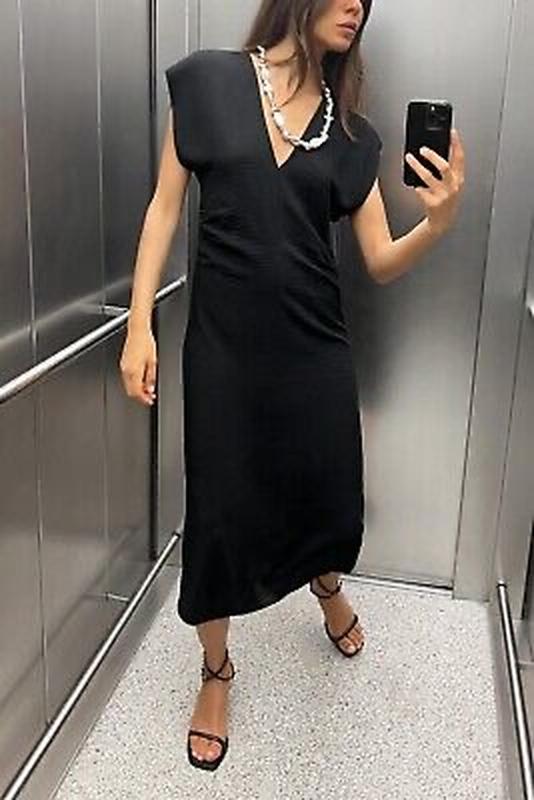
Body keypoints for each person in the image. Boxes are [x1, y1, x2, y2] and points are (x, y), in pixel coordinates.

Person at [120, 0, 465, 772]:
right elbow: (164, 209)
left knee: (325, 492)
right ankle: (216, 669)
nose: (356, 7)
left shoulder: (352, 136)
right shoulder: (208, 83)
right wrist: (139, 325)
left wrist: (437, 225)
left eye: (366, 1)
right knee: (219, 511)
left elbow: (379, 259)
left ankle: (324, 583)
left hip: (315, 353)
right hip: (223, 354)